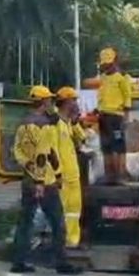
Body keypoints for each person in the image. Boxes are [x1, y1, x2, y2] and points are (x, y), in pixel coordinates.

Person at [11, 85, 81, 275]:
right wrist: (45, 179)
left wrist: (30, 170)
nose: (51, 102)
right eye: (49, 100)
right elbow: (45, 154)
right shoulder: (44, 125)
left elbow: (18, 152)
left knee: (25, 221)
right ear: (43, 102)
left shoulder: (22, 124)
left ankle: (18, 261)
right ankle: (61, 262)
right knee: (58, 222)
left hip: (28, 180)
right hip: (44, 183)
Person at [96, 47, 132, 184]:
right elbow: (102, 96)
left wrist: (125, 119)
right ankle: (109, 175)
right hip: (103, 116)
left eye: (109, 63)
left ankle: (120, 174)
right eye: (105, 64)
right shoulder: (103, 78)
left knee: (118, 147)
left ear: (115, 61)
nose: (107, 66)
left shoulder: (122, 77)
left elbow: (127, 97)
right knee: (106, 147)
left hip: (116, 116)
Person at [55, 86, 84, 249]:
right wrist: (57, 174)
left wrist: (75, 122)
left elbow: (82, 140)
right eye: (74, 100)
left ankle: (72, 241)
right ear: (66, 102)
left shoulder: (67, 124)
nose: (77, 104)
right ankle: (63, 241)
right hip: (63, 176)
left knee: (74, 211)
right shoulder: (56, 124)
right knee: (63, 211)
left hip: (72, 175)